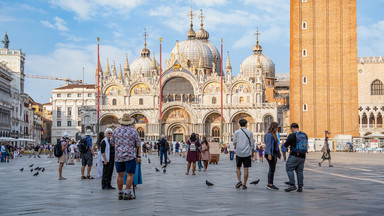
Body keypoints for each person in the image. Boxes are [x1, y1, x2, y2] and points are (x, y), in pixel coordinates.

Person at [111, 114, 141, 200]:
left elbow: (112, 143)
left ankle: (120, 193)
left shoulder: (116, 130)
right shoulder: (133, 131)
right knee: (130, 175)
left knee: (120, 175)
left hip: (118, 156)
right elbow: (138, 144)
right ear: (129, 123)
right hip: (130, 156)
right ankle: (127, 193)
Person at [284, 123, 308, 192]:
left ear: (292, 128)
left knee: (289, 168)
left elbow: (286, 145)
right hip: (303, 156)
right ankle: (300, 187)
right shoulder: (304, 135)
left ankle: (292, 185)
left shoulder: (292, 135)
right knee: (299, 171)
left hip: (294, 155)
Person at [233, 119, 254, 190]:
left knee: (238, 167)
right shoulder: (250, 132)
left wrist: (237, 146)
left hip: (239, 153)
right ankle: (244, 184)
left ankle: (239, 181)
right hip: (247, 153)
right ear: (246, 124)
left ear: (239, 124)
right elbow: (252, 144)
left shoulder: (236, 132)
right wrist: (252, 152)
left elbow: (234, 142)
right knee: (246, 168)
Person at [264, 122, 281, 191]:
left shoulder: (274, 135)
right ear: (273, 127)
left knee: (272, 169)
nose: (277, 129)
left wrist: (279, 154)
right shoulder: (269, 135)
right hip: (270, 153)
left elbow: (276, 146)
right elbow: (268, 145)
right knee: (272, 168)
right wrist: (269, 154)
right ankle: (269, 184)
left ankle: (270, 183)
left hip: (274, 154)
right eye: (276, 127)